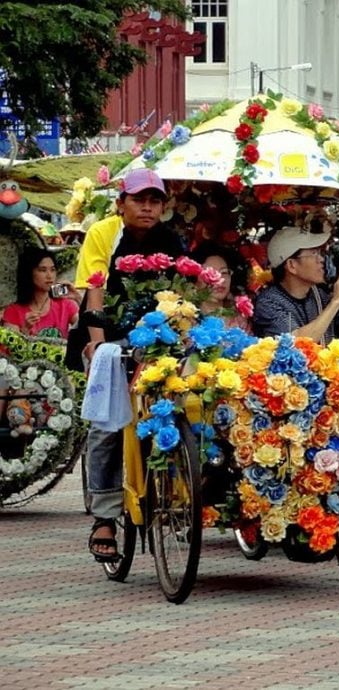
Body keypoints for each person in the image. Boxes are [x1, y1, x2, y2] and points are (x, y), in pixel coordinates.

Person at [73, 168, 184, 563]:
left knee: (182, 408)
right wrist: (98, 348)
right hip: (108, 335)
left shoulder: (171, 240)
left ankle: (176, 495)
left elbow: (185, 291)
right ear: (122, 203)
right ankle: (104, 516)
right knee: (108, 423)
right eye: (139, 200)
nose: (148, 207)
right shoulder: (104, 232)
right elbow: (95, 290)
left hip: (159, 339)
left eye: (155, 201)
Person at [251, 225, 339, 342]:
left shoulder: (319, 294)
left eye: (320, 253)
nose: (321, 259)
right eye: (314, 253)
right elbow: (296, 344)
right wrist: (336, 301)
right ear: (292, 265)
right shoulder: (269, 302)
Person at [1, 247, 79, 338]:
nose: (49, 276)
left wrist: (77, 297)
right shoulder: (13, 311)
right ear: (29, 273)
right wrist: (25, 329)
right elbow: (9, 348)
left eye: (53, 270)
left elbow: (88, 330)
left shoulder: (65, 305)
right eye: (43, 270)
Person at [190, 241, 251, 331]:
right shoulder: (186, 318)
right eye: (211, 273)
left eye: (224, 272)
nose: (220, 279)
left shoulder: (239, 319)